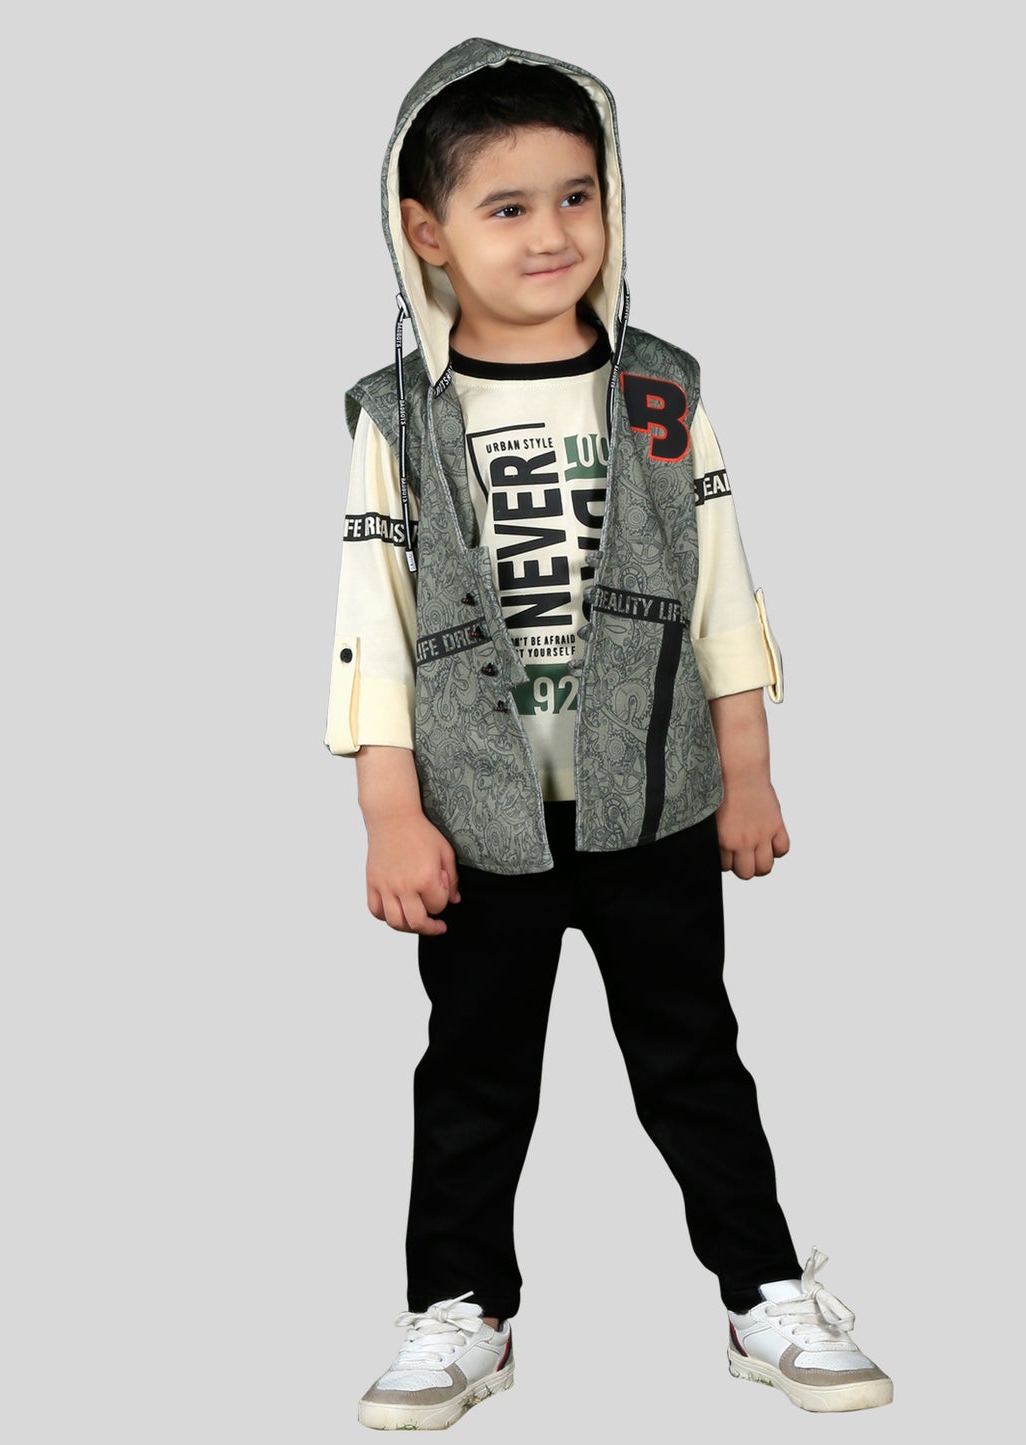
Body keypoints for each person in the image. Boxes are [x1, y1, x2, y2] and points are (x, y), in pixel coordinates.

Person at [323, 37, 893, 1430]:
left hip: (656, 804)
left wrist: (748, 773)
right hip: (479, 821)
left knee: (692, 1060)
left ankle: (764, 1293)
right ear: (427, 232)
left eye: (576, 196)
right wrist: (390, 812)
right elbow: (372, 621)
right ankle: (459, 1309)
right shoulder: (401, 420)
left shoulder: (659, 394)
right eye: (507, 207)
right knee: (474, 1080)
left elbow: (721, 590)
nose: (552, 233)